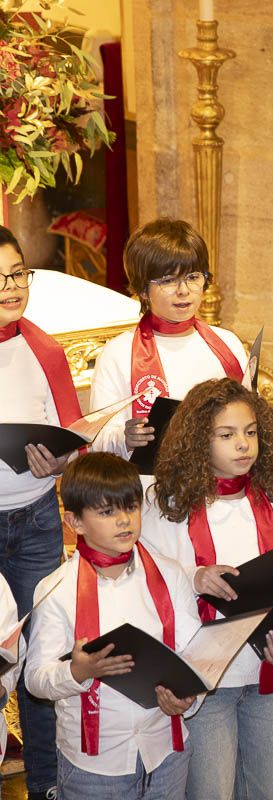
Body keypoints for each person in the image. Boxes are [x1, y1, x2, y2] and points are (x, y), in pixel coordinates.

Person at [139, 378, 273, 800]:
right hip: (205, 680)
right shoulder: (167, 506)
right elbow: (146, 582)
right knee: (211, 789)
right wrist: (194, 578)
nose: (243, 445)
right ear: (198, 440)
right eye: (227, 434)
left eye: (251, 432)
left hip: (265, 672)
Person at [26, 453, 200, 799]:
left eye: (131, 507)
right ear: (74, 521)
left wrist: (187, 699)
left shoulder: (170, 574)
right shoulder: (55, 590)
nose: (124, 520)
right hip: (94, 764)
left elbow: (195, 656)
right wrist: (77, 671)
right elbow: (36, 680)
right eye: (107, 512)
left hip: (165, 748)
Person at [0, 224, 81, 799]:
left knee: (41, 658)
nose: (11, 287)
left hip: (36, 521)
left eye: (17, 273)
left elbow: (74, 434)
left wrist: (59, 461)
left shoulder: (45, 348)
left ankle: (49, 786)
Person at [90, 219, 247, 462]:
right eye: (167, 280)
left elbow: (248, 418)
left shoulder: (228, 345)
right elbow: (96, 439)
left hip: (221, 485)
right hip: (152, 488)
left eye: (193, 277)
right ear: (142, 289)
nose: (183, 290)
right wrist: (125, 436)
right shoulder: (118, 354)